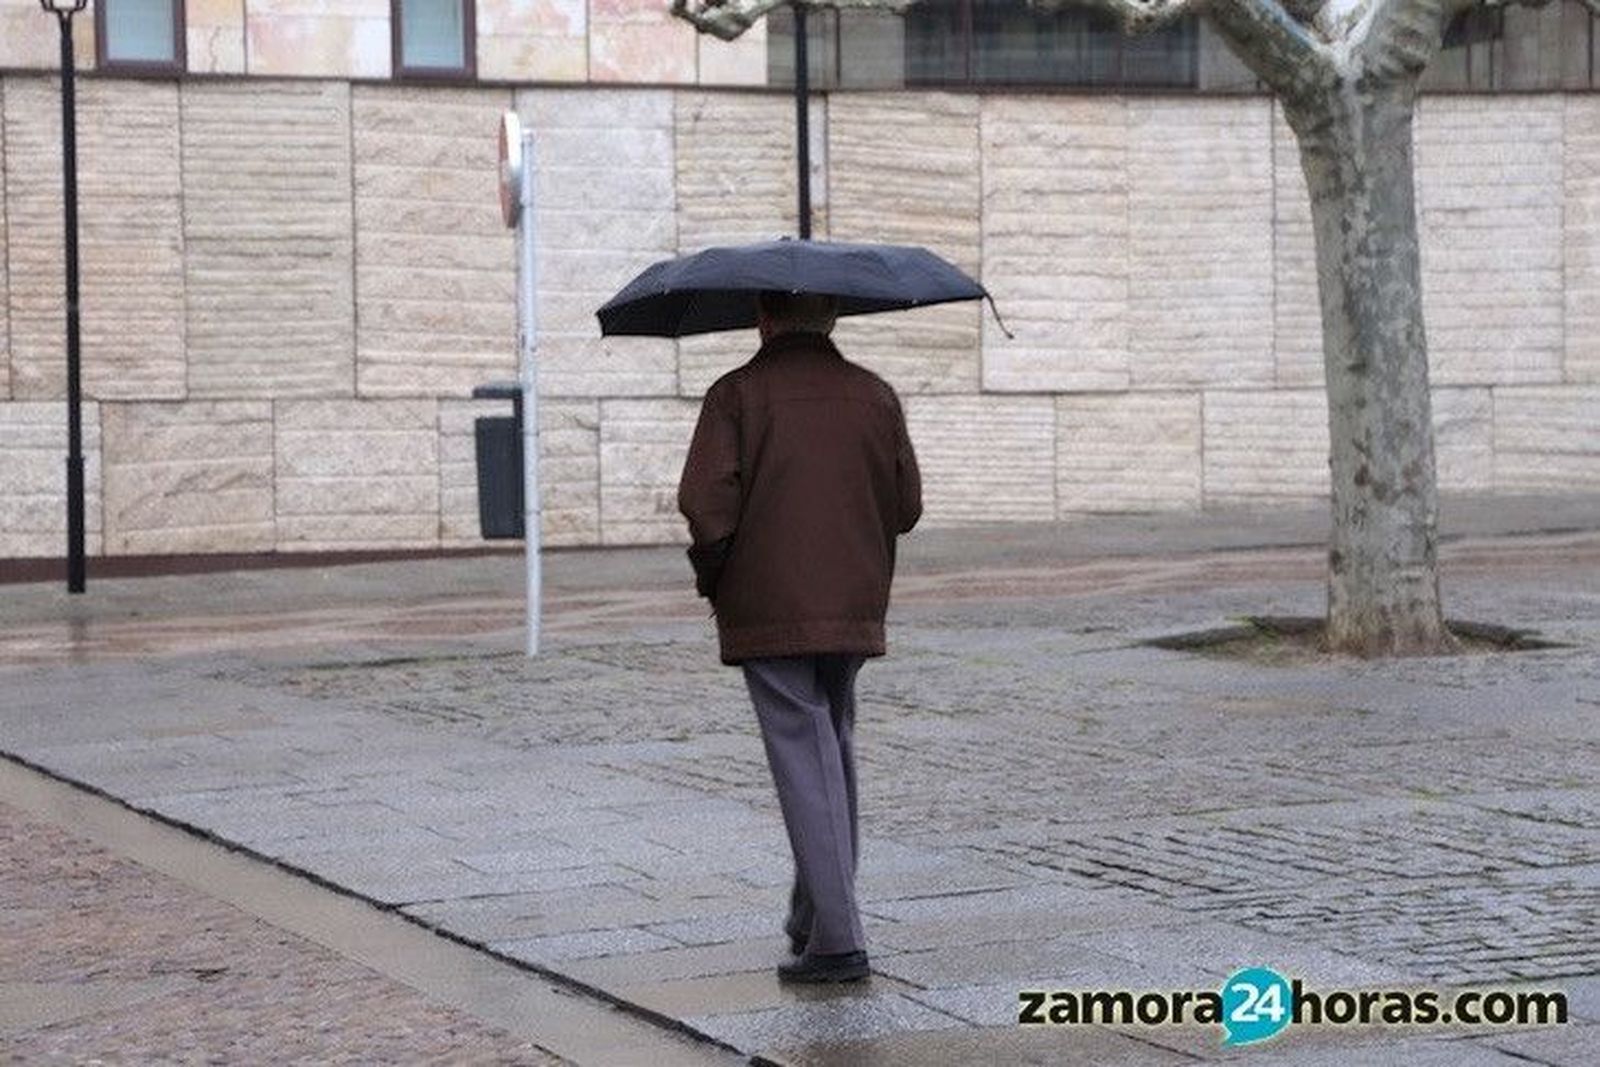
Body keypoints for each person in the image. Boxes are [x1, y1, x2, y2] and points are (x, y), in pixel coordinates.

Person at [677, 290, 922, 984]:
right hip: (854, 600)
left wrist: (720, 562)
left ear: (764, 317)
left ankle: (838, 938)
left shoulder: (737, 395)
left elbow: (704, 502)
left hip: (770, 603)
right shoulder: (874, 395)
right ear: (833, 318)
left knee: (804, 749)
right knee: (831, 740)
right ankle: (815, 912)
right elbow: (907, 506)